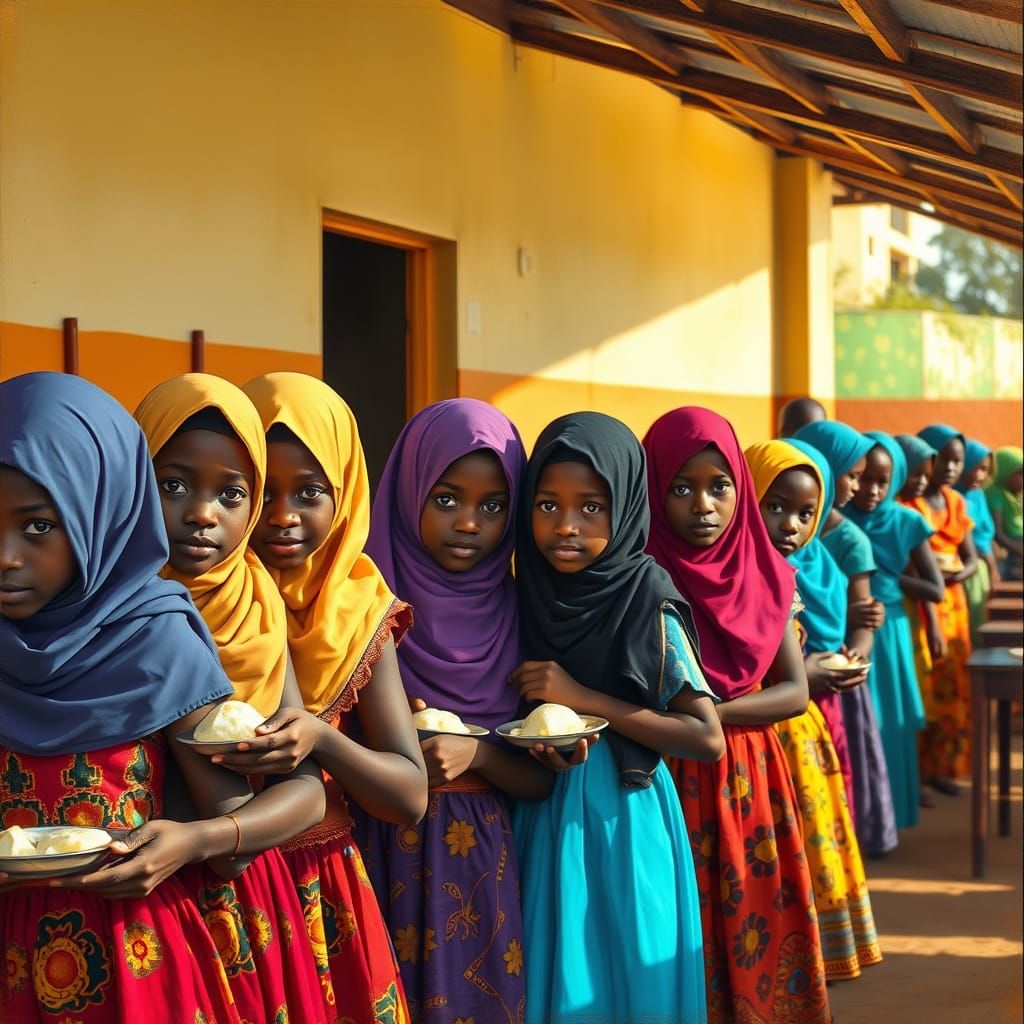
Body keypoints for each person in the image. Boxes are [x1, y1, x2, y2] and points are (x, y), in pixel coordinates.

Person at [0, 372, 266, 1023]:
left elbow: (233, 829)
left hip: (135, 962)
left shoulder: (157, 644)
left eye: (37, 526)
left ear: (103, 512)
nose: (5, 557)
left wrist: (186, 842)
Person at [219, 372, 429, 1024]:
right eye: (261, 490)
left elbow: (408, 794)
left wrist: (323, 736)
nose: (282, 516)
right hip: (212, 881)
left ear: (345, 491)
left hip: (322, 891)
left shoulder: (358, 610)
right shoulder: (191, 602)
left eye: (310, 492)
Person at [511, 412, 724, 1024]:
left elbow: (704, 736)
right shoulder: (530, 589)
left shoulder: (647, 595)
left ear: (627, 506)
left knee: (625, 975)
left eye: (592, 507)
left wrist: (585, 698)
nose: (566, 527)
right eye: (547, 505)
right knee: (558, 965)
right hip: (543, 805)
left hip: (623, 817)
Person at [135, 374, 329, 1023]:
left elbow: (307, 793)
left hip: (241, 902)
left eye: (231, 493)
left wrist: (208, 836)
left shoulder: (257, 607)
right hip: (136, 905)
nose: (201, 513)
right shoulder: (106, 612)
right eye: (173, 485)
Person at [359, 399, 546, 1024]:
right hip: (371, 854)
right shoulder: (360, 607)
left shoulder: (523, 614)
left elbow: (541, 779)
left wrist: (479, 752)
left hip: (482, 868)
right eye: (446, 499)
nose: (470, 522)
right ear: (409, 487)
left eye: (493, 506)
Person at [643, 407, 831, 1024]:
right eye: (682, 487)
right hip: (660, 774)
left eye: (720, 487)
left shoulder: (765, 573)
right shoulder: (642, 575)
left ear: (740, 491)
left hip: (747, 777)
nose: (704, 505)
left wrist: (709, 713)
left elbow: (793, 692)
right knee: (678, 924)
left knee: (751, 915)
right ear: (652, 489)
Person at [745, 438, 882, 984]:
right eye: (773, 507)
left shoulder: (798, 570)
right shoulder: (740, 575)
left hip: (802, 731)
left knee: (802, 847)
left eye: (806, 513)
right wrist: (809, 675)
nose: (790, 526)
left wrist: (833, 664)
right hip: (758, 731)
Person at [792, 421, 897, 858]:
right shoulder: (773, 550)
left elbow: (862, 614)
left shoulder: (844, 541)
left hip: (832, 681)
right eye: (851, 474)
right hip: (790, 690)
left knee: (839, 774)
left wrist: (853, 656)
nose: (856, 485)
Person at [844, 432, 943, 827]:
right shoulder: (838, 518)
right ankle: (860, 818)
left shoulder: (906, 521)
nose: (870, 490)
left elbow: (935, 588)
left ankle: (891, 816)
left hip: (892, 631)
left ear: (896, 480)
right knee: (860, 726)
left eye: (882, 482)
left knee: (890, 724)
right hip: (853, 626)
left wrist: (889, 578)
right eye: (863, 478)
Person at [901, 425, 977, 797]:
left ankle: (945, 768)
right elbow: (913, 569)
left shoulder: (956, 503)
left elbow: (971, 553)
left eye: (956, 461)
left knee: (952, 690)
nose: (949, 467)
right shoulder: (908, 507)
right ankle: (919, 774)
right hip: (923, 607)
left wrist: (962, 572)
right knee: (925, 688)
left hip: (955, 605)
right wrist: (932, 613)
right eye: (943, 459)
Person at [955, 440, 997, 639]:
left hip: (980, 569)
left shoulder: (977, 495)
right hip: (960, 570)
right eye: (975, 468)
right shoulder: (952, 497)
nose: (980, 475)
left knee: (980, 621)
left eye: (985, 470)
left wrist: (992, 567)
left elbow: (985, 534)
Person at [987, 446, 1023, 581]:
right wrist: (1019, 550)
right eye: (1020, 473)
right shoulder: (994, 494)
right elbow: (998, 534)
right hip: (1010, 552)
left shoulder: (1013, 494)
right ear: (1005, 471)